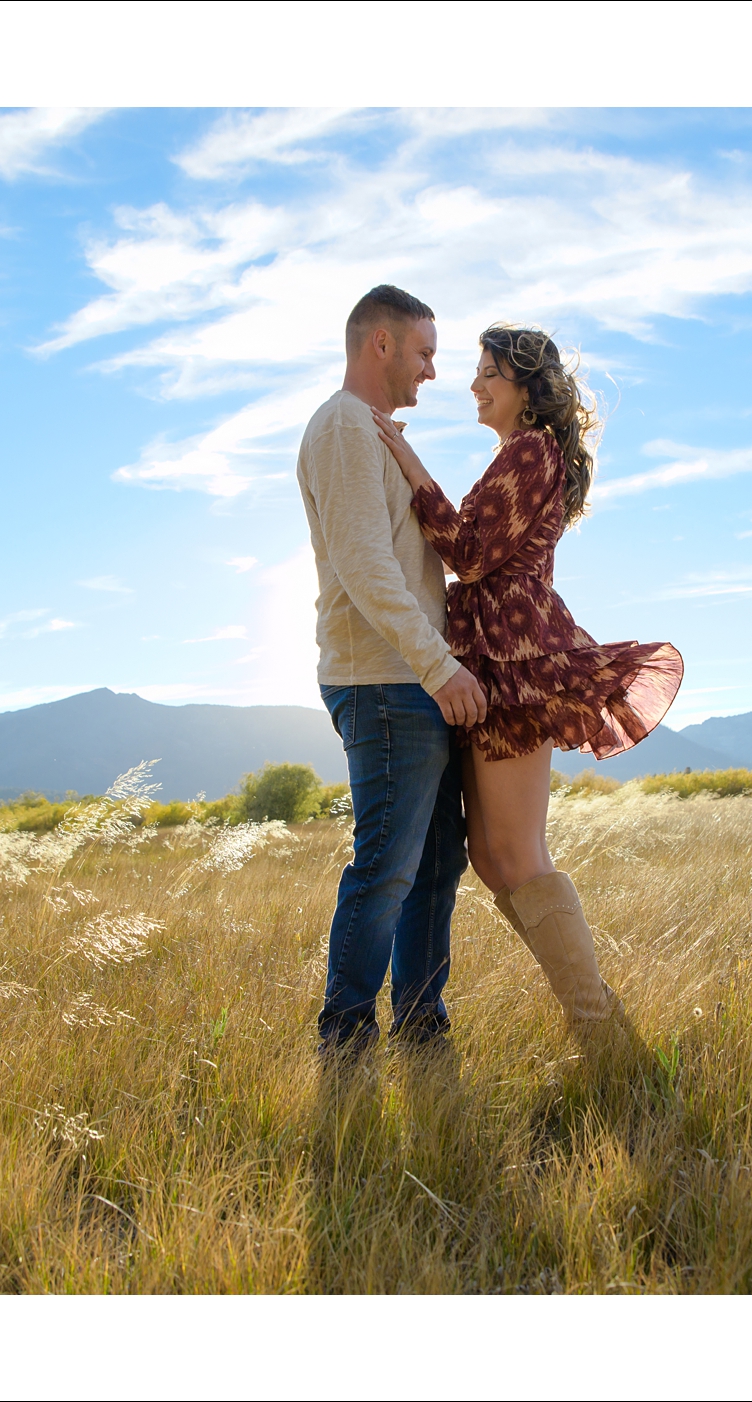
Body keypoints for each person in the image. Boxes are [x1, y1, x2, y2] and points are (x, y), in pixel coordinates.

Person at [373, 323, 682, 1037]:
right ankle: (599, 1020)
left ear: (525, 386)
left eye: (488, 373)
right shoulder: (518, 452)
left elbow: (471, 553)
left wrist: (410, 464)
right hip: (490, 652)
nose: (474, 386)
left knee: (517, 853)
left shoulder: (534, 449)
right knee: (488, 856)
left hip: (516, 657)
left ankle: (600, 1027)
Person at [295, 285, 489, 1054]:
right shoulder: (343, 427)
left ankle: (420, 1024)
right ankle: (344, 1036)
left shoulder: (372, 433)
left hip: (414, 681)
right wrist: (441, 668)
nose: (434, 372)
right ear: (381, 344)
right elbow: (366, 567)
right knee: (386, 868)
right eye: (425, 352)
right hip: (385, 682)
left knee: (438, 864)